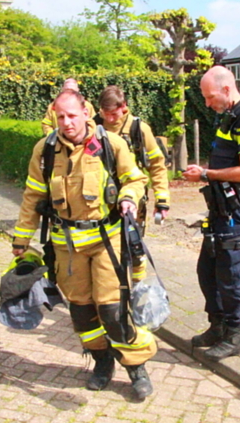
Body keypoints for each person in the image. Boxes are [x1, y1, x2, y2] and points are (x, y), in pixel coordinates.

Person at [12, 89, 157, 399]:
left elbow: (135, 179)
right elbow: (33, 194)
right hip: (66, 247)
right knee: (81, 312)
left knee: (112, 309)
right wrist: (21, 238)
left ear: (86, 113)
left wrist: (129, 198)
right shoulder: (45, 150)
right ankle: (102, 362)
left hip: (107, 242)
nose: (66, 122)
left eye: (72, 115)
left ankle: (136, 367)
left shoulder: (110, 144)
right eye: (60, 117)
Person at [182, 66, 240, 362]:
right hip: (220, 204)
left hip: (235, 205)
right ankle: (217, 326)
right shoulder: (230, 115)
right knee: (208, 269)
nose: (207, 104)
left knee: (229, 272)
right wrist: (206, 172)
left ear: (227, 89)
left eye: (210, 97)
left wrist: (206, 174)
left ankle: (234, 335)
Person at [95, 85, 170, 282]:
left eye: (114, 114)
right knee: (103, 250)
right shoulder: (93, 127)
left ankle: (137, 287)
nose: (110, 119)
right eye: (105, 114)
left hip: (133, 199)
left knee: (134, 248)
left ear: (124, 107)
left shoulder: (139, 130)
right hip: (100, 201)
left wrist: (162, 200)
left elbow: (157, 166)